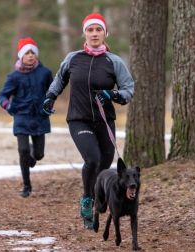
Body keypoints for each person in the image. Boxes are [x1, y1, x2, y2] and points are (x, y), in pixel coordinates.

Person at [42, 13, 134, 229]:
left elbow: (128, 89)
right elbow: (60, 79)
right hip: (78, 119)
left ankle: (97, 199)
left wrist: (112, 95)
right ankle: (86, 200)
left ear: (105, 33)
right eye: (90, 30)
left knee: (104, 164)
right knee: (92, 159)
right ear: (85, 33)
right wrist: (50, 97)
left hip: (104, 120)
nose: (94, 34)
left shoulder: (114, 61)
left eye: (98, 30)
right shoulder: (73, 58)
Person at [0, 37, 53, 198]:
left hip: (40, 117)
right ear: (21, 56)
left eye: (33, 53)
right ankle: (27, 185)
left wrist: (49, 103)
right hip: (21, 116)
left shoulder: (45, 73)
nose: (30, 56)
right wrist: (7, 105)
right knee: (23, 151)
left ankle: (33, 154)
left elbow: (52, 91)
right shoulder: (14, 76)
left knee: (39, 155)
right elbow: (2, 95)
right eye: (27, 53)